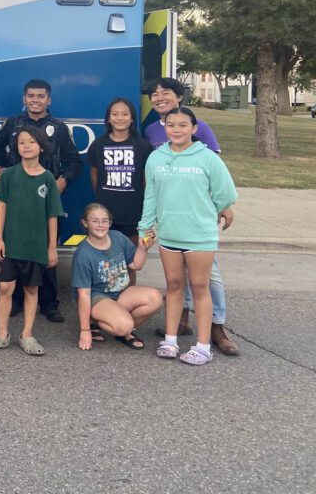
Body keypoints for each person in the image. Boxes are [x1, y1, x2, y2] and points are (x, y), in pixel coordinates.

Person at [146, 77, 239, 356]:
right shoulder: (151, 130)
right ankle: (179, 324)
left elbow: (215, 174)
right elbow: (153, 180)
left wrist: (219, 206)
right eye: (155, 93)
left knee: (208, 279)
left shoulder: (203, 132)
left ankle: (216, 328)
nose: (159, 97)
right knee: (176, 282)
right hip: (171, 222)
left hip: (198, 223)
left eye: (166, 93)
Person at [0, 79, 82, 322]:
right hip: (17, 199)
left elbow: (74, 161)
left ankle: (49, 303)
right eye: (31, 95)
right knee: (16, 250)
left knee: (47, 251)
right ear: (24, 99)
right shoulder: (13, 124)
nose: (35, 100)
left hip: (45, 200)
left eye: (41, 96)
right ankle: (17, 300)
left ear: (48, 100)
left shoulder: (58, 128)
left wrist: (63, 182)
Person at [0, 126, 61, 356]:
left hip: (36, 245)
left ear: (42, 147)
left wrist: (52, 247)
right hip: (12, 243)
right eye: (22, 142)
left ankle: (27, 334)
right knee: (5, 287)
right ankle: (2, 333)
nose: (26, 146)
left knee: (31, 289)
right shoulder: (9, 175)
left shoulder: (48, 179)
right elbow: (2, 207)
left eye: (32, 142)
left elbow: (52, 215)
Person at [72, 203, 162, 350]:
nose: (101, 225)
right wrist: (84, 330)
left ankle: (123, 328)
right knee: (124, 325)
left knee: (155, 298)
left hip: (119, 293)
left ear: (110, 223)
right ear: (85, 223)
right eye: (95, 221)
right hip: (96, 297)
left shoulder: (117, 237)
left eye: (105, 221)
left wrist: (143, 247)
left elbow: (135, 265)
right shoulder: (83, 254)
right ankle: (93, 323)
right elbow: (84, 294)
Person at [86, 98, 153, 286]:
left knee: (129, 263)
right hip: (105, 216)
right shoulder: (98, 145)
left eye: (125, 114)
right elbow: (94, 177)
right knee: (106, 262)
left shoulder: (143, 146)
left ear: (132, 119)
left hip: (132, 214)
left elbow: (146, 182)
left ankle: (127, 303)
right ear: (108, 119)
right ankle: (108, 303)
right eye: (115, 114)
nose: (120, 118)